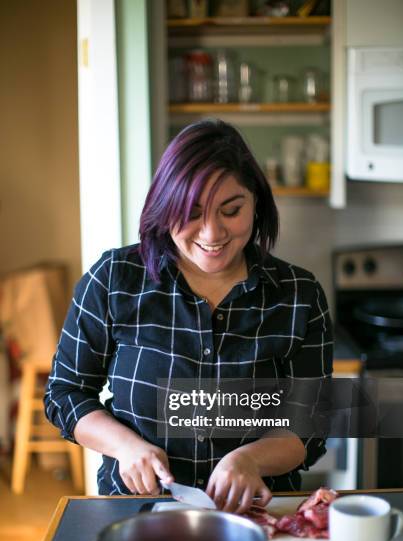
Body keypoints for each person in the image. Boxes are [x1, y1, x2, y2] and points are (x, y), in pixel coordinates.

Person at [45, 120, 333, 514]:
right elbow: (65, 393)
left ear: (256, 204)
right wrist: (125, 446)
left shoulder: (298, 294)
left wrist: (250, 459)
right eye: (192, 213)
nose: (212, 233)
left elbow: (312, 425)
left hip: (253, 515)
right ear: (165, 208)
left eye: (231, 210)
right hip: (138, 511)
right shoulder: (114, 279)